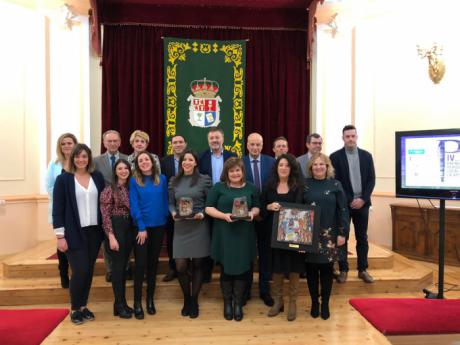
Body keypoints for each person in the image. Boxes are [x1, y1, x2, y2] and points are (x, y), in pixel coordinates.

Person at [52, 144, 106, 325]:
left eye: (84, 156)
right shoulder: (64, 179)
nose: (81, 160)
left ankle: (83, 306)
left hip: (94, 232)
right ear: (72, 158)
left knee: (88, 270)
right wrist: (60, 236)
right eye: (77, 156)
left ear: (89, 158)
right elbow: (57, 209)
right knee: (80, 270)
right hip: (73, 232)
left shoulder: (97, 177)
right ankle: (75, 308)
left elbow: (103, 204)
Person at [205, 157, 260, 322]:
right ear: (226, 173)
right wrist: (224, 216)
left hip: (244, 234)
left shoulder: (251, 187)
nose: (235, 173)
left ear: (242, 171)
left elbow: (257, 206)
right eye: (231, 171)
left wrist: (252, 213)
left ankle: (238, 303)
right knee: (226, 269)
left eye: (238, 170)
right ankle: (227, 302)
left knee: (242, 269)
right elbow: (208, 208)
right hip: (224, 233)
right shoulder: (218, 188)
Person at [303, 153, 348, 320]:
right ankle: (315, 303)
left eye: (322, 164)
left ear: (327, 167)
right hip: (308, 236)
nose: (318, 167)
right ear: (310, 168)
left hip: (330, 236)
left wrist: (343, 233)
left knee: (327, 272)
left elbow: (343, 210)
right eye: (315, 164)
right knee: (312, 271)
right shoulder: (304, 185)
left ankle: (326, 303)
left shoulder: (336, 184)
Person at [329, 125, 376, 284]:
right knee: (342, 238)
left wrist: (363, 199)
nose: (350, 139)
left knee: (362, 237)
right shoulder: (334, 157)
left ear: (357, 137)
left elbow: (371, 180)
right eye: (347, 136)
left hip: (362, 204)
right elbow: (336, 182)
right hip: (344, 205)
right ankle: (343, 269)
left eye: (353, 136)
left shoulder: (366, 156)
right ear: (343, 138)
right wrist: (349, 200)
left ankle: (363, 269)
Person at [168, 149, 211, 318]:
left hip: (199, 225)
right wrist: (172, 212)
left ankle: (194, 300)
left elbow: (210, 202)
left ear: (195, 162)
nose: (186, 162)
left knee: (199, 265)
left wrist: (204, 214)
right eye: (184, 160)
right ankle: (186, 298)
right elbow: (171, 203)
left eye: (190, 159)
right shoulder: (174, 180)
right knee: (181, 266)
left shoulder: (204, 180)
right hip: (181, 227)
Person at [261, 154, 305, 321]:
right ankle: (278, 301)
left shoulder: (299, 186)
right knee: (277, 268)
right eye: (281, 165)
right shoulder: (269, 186)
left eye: (287, 165)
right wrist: (269, 206)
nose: (284, 168)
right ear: (276, 167)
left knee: (294, 268)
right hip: (274, 236)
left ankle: (292, 302)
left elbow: (304, 211)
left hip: (294, 236)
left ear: (291, 168)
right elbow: (261, 208)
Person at [129, 151, 168, 319]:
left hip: (159, 226)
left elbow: (165, 200)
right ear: (137, 164)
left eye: (146, 159)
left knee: (153, 264)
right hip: (141, 229)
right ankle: (137, 302)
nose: (144, 162)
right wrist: (141, 227)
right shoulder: (134, 181)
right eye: (140, 160)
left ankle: (150, 299)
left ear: (152, 162)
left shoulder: (162, 179)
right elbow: (134, 205)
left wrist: (165, 217)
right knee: (140, 265)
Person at [199, 127, 236, 282]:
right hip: (208, 201)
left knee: (225, 235)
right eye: (212, 138)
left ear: (223, 139)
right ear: (208, 140)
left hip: (227, 200)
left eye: (217, 137)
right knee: (207, 236)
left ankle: (225, 269)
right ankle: (206, 273)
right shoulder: (201, 157)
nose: (214, 140)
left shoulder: (231, 156)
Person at [242, 132, 275, 306]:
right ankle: (246, 291)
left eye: (258, 144)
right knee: (248, 253)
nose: (255, 147)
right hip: (247, 217)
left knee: (265, 255)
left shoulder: (272, 162)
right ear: (247, 145)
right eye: (252, 144)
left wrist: (264, 209)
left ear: (263, 146)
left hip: (267, 216)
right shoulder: (240, 163)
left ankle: (264, 291)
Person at [100, 159, 135, 319]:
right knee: (118, 269)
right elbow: (105, 215)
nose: (123, 171)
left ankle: (120, 304)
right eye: (120, 168)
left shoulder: (131, 188)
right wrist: (111, 236)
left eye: (125, 168)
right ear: (115, 171)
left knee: (124, 267)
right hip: (116, 228)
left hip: (129, 228)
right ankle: (119, 305)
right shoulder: (109, 189)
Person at [94, 130, 129, 283]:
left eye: (115, 141)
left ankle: (126, 268)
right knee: (107, 238)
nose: (113, 143)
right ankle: (110, 270)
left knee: (126, 238)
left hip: (124, 204)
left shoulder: (128, 159)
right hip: (105, 202)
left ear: (120, 142)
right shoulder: (95, 161)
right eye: (109, 141)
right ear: (104, 143)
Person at [46, 133, 78, 289]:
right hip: (61, 209)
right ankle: (63, 274)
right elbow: (50, 187)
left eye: (69, 143)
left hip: (77, 210)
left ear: (75, 144)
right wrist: (65, 198)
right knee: (62, 242)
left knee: (76, 242)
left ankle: (76, 274)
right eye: (63, 143)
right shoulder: (54, 164)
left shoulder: (80, 161)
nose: (67, 146)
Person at [161, 134, 187, 282]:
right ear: (171, 145)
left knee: (187, 237)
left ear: (185, 144)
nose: (178, 144)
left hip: (190, 206)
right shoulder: (165, 161)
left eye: (180, 142)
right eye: (175, 142)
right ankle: (173, 268)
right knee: (171, 237)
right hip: (170, 205)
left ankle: (186, 268)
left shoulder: (191, 159)